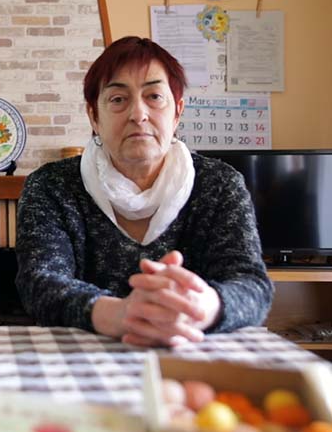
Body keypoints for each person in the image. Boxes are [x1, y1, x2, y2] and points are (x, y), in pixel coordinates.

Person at [15, 36, 273, 347]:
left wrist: (200, 307)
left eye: (154, 96)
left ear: (177, 111)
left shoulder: (220, 184)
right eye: (118, 99)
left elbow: (251, 285)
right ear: (94, 116)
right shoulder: (51, 185)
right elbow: (39, 283)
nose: (138, 114)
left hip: (192, 351)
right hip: (82, 358)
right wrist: (120, 314)